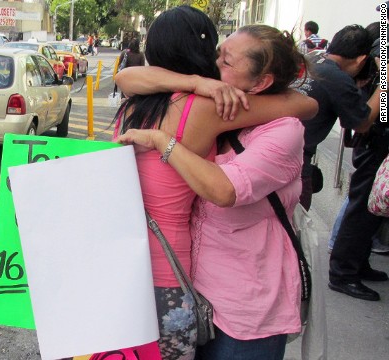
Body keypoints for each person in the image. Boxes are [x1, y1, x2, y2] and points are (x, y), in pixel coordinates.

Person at [112, 6, 317, 359]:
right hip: (168, 265)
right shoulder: (208, 106)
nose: (218, 62)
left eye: (226, 59)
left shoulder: (136, 105)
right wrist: (199, 84)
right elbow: (305, 105)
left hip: (123, 258)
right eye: (216, 53)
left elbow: (125, 77)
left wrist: (192, 82)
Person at [329, 20, 387, 301]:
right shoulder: (381, 36)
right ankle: (343, 272)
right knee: (364, 204)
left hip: (375, 131)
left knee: (371, 208)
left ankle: (356, 264)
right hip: (375, 133)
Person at [294, 24, 378, 210]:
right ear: (362, 60)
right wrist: (384, 86)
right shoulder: (338, 79)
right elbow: (363, 124)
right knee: (292, 230)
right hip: (296, 167)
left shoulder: (312, 59)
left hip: (282, 155)